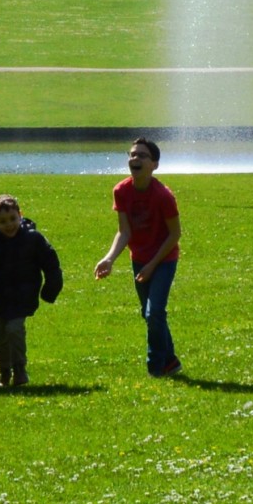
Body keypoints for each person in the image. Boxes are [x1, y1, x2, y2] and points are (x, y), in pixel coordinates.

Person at [94, 136, 182, 377]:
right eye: (132, 154)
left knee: (154, 312)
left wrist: (153, 265)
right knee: (150, 312)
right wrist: (109, 258)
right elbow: (125, 232)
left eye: (142, 155)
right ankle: (171, 360)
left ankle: (155, 367)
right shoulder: (121, 191)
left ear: (154, 164)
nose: (135, 159)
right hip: (139, 259)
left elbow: (175, 234)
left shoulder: (164, 195)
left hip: (164, 259)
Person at [0, 193, 63, 389]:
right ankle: (4, 371)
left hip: (23, 297)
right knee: (0, 336)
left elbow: (51, 264)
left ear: (20, 215)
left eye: (12, 219)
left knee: (14, 330)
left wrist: (50, 290)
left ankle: (20, 370)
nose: (9, 225)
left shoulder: (33, 239)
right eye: (2, 221)